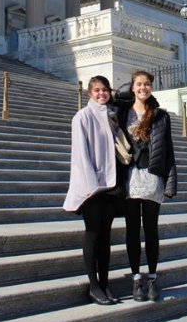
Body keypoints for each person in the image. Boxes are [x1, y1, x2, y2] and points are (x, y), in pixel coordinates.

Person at [63, 76, 128, 306]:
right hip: (93, 188)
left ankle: (105, 283)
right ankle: (93, 286)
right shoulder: (82, 116)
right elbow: (81, 155)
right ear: (89, 93)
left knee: (106, 237)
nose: (101, 94)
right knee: (92, 235)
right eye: (97, 90)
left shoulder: (111, 116)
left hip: (111, 187)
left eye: (105, 90)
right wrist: (92, 188)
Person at [116, 71, 178, 302]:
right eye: (139, 84)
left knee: (151, 230)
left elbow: (168, 150)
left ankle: (152, 277)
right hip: (130, 178)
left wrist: (171, 181)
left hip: (153, 178)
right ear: (132, 87)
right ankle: (136, 280)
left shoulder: (161, 116)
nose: (143, 88)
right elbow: (113, 97)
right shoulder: (122, 113)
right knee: (132, 231)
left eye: (147, 84)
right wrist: (125, 93)